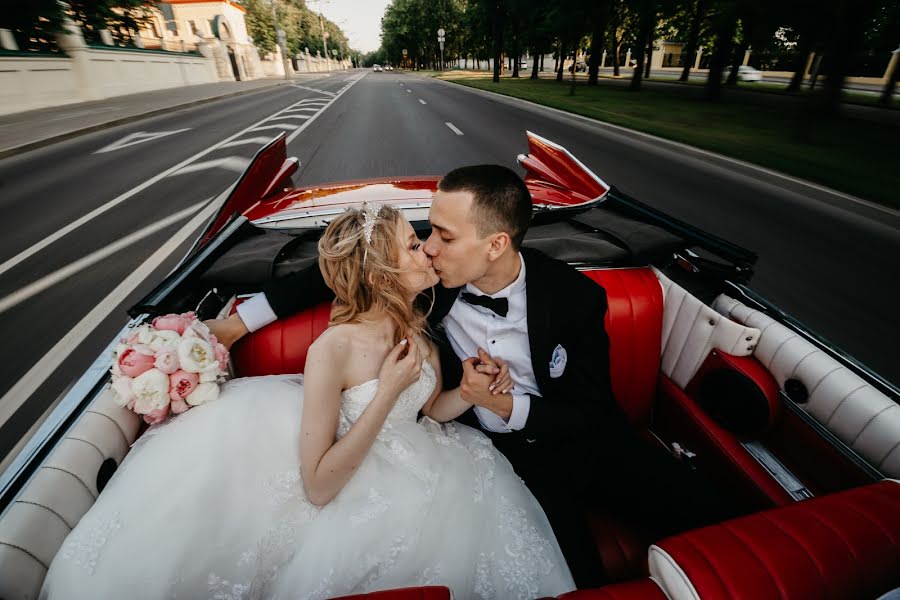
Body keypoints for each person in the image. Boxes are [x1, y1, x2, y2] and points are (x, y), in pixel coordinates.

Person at [210, 165, 731, 588]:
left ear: (496, 245)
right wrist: (238, 323)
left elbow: (593, 412)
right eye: (425, 233)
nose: (428, 245)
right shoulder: (429, 285)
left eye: (442, 234)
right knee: (571, 575)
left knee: (716, 517)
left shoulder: (576, 297)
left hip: (585, 438)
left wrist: (508, 405)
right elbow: (340, 271)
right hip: (504, 459)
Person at [40, 204, 575, 599]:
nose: (428, 249)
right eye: (413, 245)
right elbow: (318, 486)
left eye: (426, 240)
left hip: (433, 457)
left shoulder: (420, 326)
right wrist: (386, 393)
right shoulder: (333, 350)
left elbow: (429, 411)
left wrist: (468, 394)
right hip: (353, 477)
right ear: (379, 273)